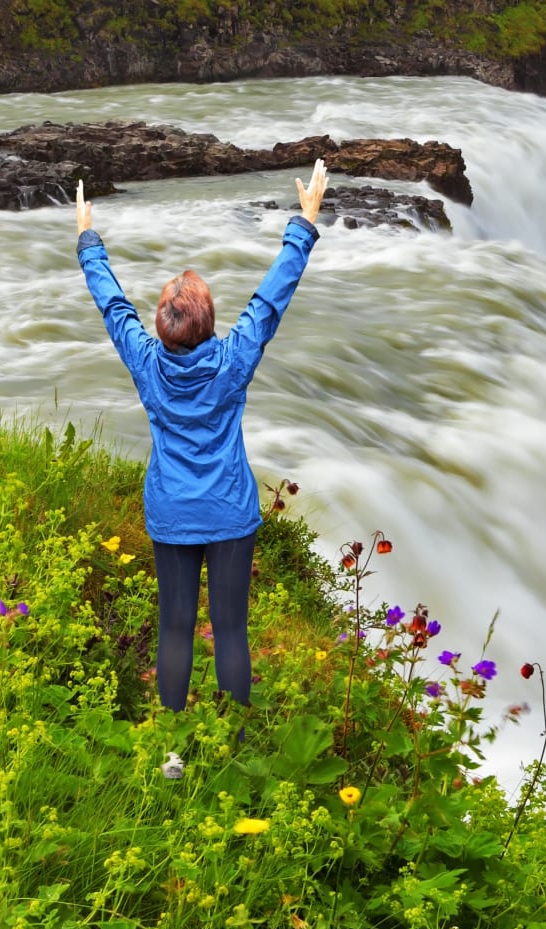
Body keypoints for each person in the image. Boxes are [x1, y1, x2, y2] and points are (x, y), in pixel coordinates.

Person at [75, 160, 330, 711]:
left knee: (174, 630)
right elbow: (268, 302)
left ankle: (172, 748)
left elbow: (113, 307)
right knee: (232, 632)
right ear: (210, 324)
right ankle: (232, 745)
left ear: (163, 330)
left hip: (172, 508)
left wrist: (88, 241)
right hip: (229, 512)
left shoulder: (146, 361)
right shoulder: (234, 360)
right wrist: (302, 224)